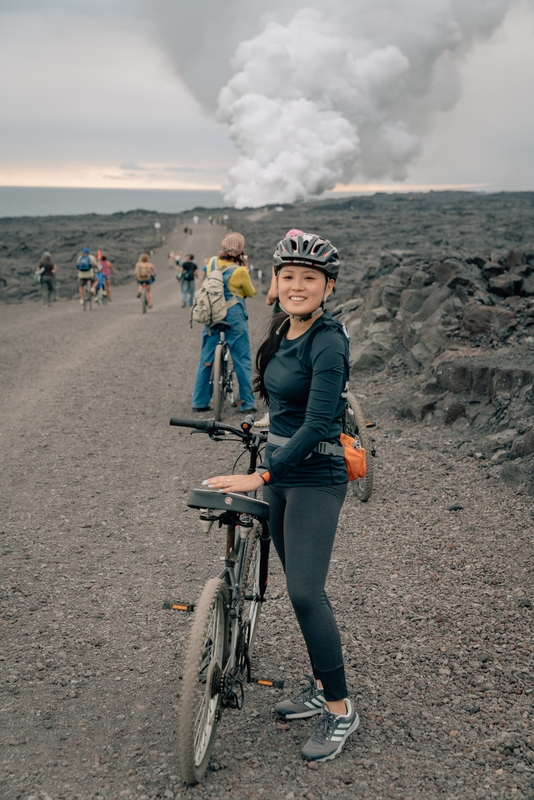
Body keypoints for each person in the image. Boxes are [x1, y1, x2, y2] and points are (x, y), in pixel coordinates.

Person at [203, 232, 358, 763]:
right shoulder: (282, 330)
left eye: (309, 278)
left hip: (315, 476)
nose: (297, 285)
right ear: (275, 281)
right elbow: (288, 408)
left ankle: (340, 709)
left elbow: (318, 423)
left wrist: (263, 477)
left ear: (328, 287)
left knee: (306, 594)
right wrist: (261, 429)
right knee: (300, 589)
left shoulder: (329, 339)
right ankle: (321, 683)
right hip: (282, 470)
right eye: (288, 276)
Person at [191, 232, 256, 412]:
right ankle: (247, 403)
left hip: (213, 313)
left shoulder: (212, 262)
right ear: (240, 250)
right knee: (242, 358)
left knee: (206, 357)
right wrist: (246, 269)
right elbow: (251, 293)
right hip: (234, 315)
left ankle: (199, 401)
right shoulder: (240, 271)